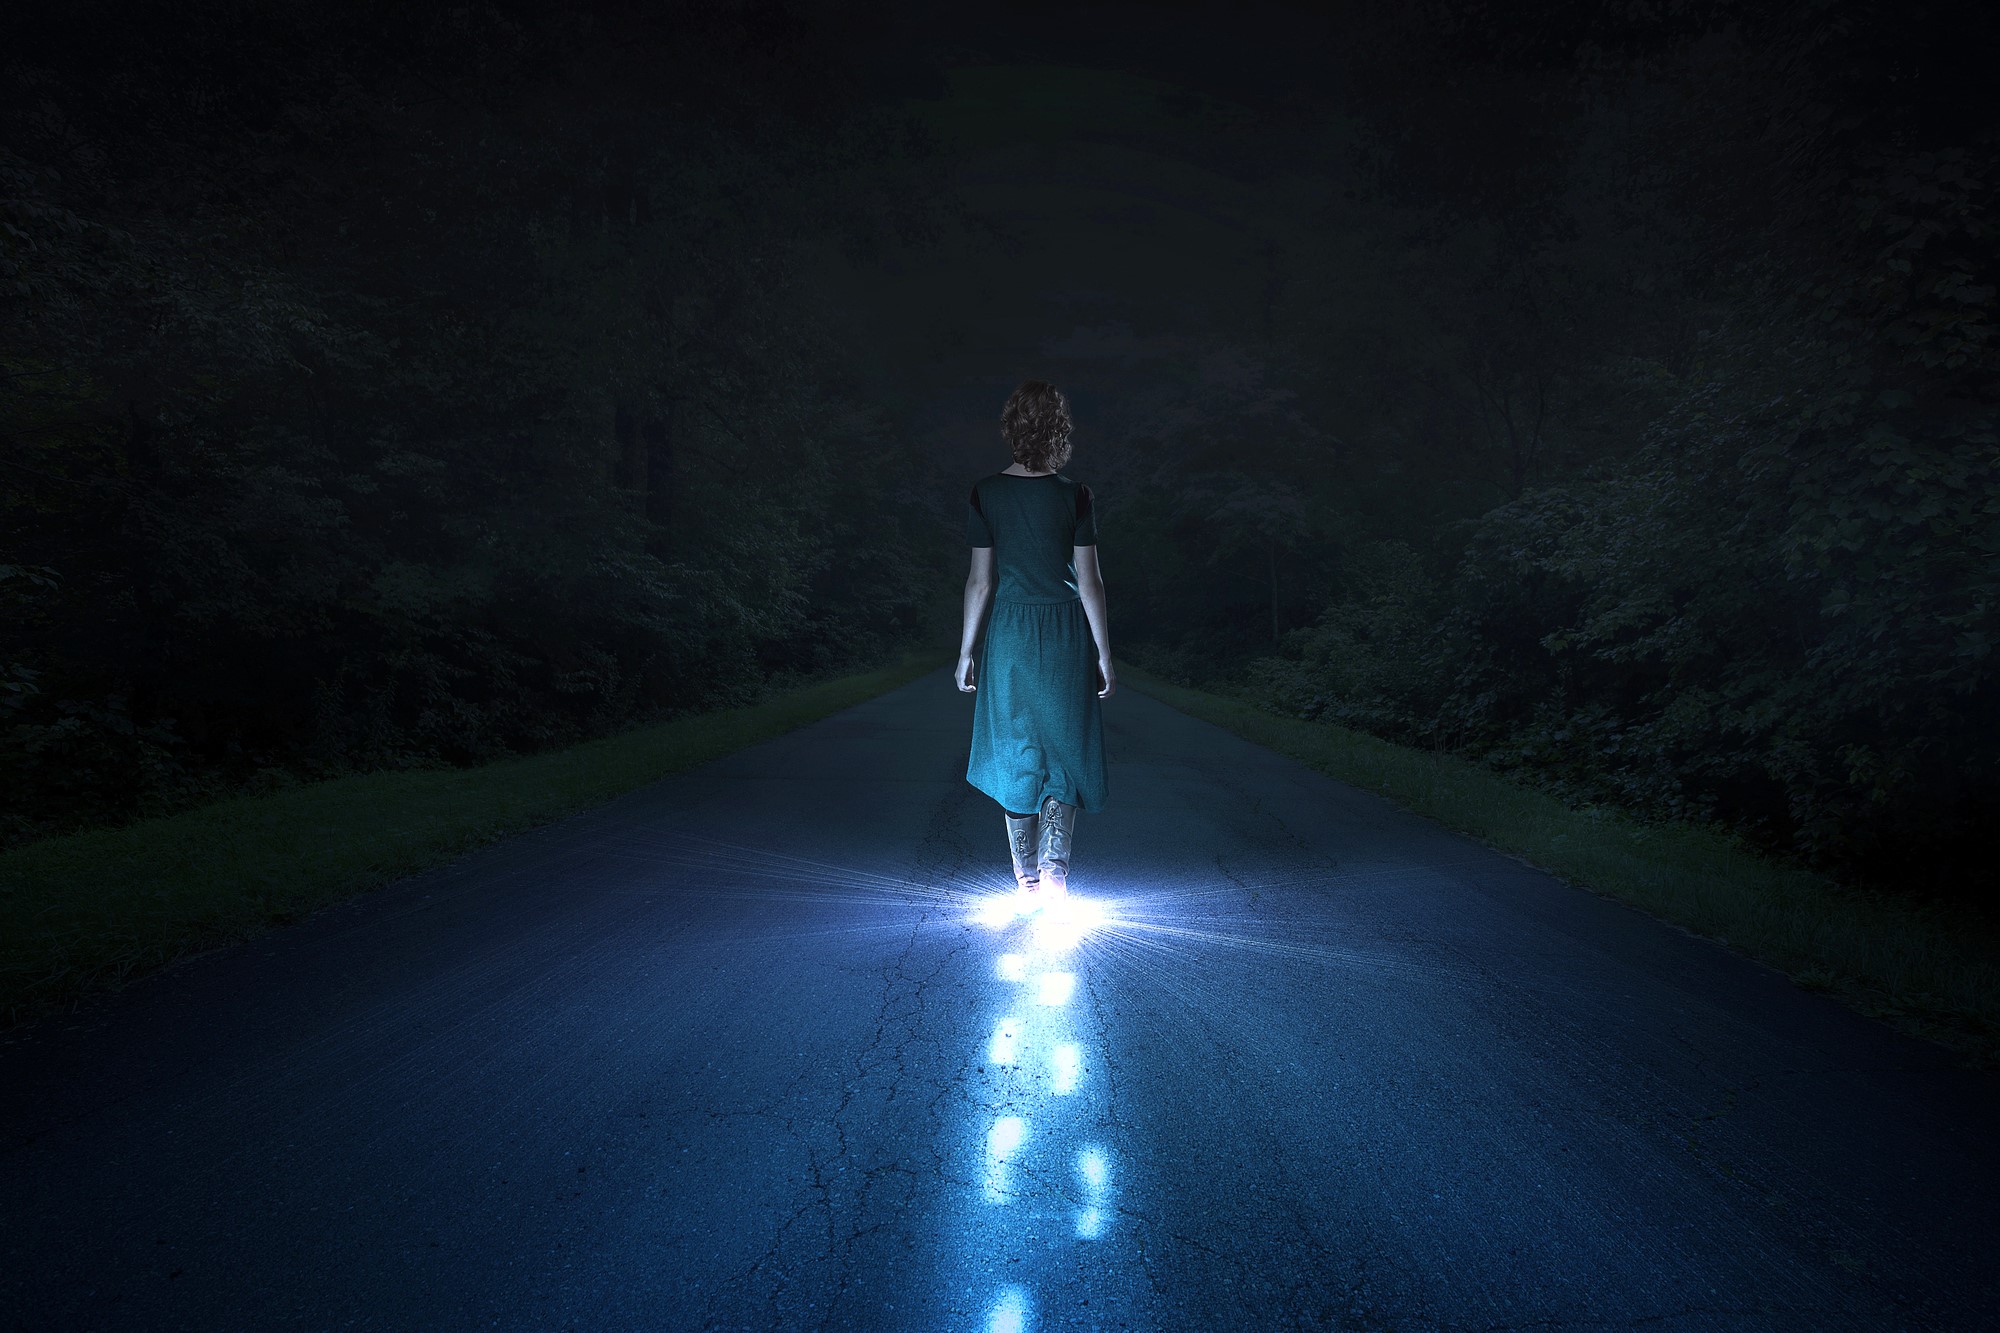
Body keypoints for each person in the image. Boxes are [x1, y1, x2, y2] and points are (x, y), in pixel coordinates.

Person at [956, 379, 1114, 901]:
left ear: (1012, 429)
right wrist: (1104, 654)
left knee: (1016, 746)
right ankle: (1055, 869)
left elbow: (981, 580)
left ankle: (1025, 875)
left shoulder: (986, 492)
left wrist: (966, 653)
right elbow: (1088, 581)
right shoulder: (1076, 496)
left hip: (1011, 634)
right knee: (1063, 747)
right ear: (1058, 432)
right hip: (1066, 631)